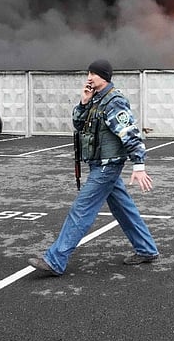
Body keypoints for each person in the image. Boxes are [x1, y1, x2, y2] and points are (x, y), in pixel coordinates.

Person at [28, 59, 158, 276]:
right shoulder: (96, 100)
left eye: (94, 74)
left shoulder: (114, 101)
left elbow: (131, 134)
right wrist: (83, 102)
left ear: (104, 76)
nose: (89, 77)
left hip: (108, 167)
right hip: (100, 164)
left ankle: (55, 260)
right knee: (123, 209)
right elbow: (78, 125)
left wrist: (139, 165)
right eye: (88, 73)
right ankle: (146, 249)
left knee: (81, 209)